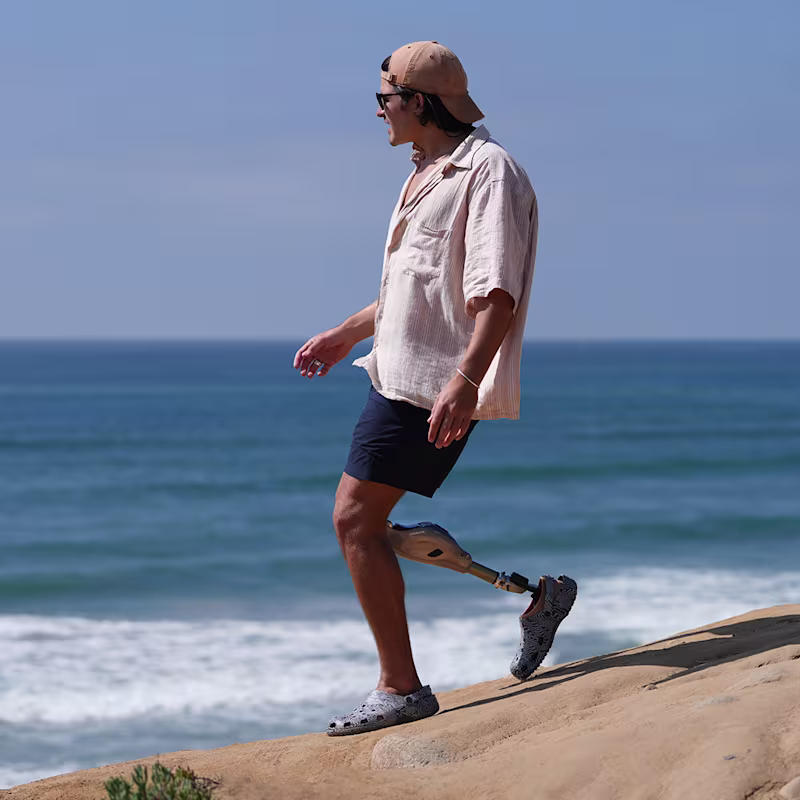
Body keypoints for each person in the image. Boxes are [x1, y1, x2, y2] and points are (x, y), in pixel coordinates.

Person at [293, 41, 576, 736]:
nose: (380, 113)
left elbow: (495, 294)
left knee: (354, 522)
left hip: (431, 386)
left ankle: (402, 689)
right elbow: (413, 289)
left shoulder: (489, 174)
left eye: (385, 99)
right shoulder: (426, 172)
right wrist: (344, 334)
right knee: (368, 525)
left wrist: (464, 379)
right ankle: (533, 594)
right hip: (395, 373)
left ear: (418, 103)